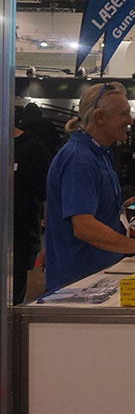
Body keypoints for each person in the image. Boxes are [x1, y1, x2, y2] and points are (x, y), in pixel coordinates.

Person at [45, 82, 135, 291]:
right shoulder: (79, 159)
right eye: (123, 114)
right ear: (100, 117)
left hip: (98, 275)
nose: (130, 121)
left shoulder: (99, 154)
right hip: (79, 283)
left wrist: (120, 208)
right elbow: (84, 227)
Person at [13, 126, 50, 304]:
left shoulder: (31, 148)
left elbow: (47, 198)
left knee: (13, 302)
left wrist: (50, 243)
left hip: (20, 243)